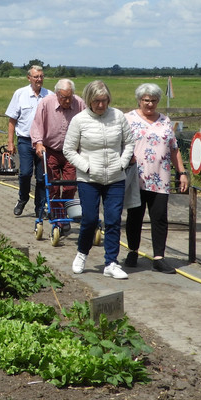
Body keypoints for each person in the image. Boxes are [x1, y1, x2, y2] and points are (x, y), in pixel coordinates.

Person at [63, 80, 134, 280]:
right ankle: (81, 254)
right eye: (96, 101)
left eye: (104, 101)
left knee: (113, 221)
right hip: (88, 179)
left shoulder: (118, 116)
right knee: (90, 219)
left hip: (115, 177)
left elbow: (129, 143)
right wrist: (86, 166)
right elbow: (68, 150)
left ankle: (111, 262)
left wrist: (122, 163)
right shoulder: (79, 120)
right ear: (88, 101)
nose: (101, 105)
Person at [124, 83, 188, 273]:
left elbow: (174, 149)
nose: (149, 104)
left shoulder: (165, 121)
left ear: (158, 101)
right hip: (136, 176)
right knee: (135, 216)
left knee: (159, 216)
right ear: (139, 100)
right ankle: (133, 251)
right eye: (146, 100)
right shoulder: (128, 119)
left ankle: (159, 257)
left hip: (160, 177)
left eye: (153, 101)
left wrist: (182, 173)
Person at [29, 79, 85, 231]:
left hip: (71, 151)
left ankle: (65, 213)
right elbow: (37, 125)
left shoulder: (79, 104)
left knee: (70, 185)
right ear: (57, 94)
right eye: (64, 97)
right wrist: (39, 143)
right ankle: (59, 216)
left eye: (70, 97)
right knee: (52, 186)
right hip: (50, 150)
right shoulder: (46, 103)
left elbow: (87, 124)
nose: (67, 101)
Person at [5, 65, 48, 217]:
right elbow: (12, 120)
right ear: (29, 78)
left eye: (41, 76)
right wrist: (11, 143)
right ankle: (23, 198)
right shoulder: (20, 94)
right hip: (25, 140)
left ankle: (40, 208)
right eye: (36, 77)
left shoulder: (49, 95)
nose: (39, 79)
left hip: (43, 142)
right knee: (25, 173)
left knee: (42, 177)